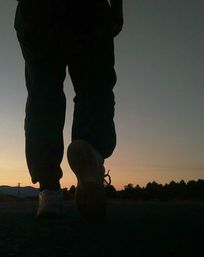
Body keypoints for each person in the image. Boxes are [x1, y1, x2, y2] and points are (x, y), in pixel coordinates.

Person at [15, 0, 123, 221]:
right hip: (89, 11)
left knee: (43, 94)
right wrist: (117, 8)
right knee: (94, 86)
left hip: (37, 12)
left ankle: (49, 192)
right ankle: (90, 152)